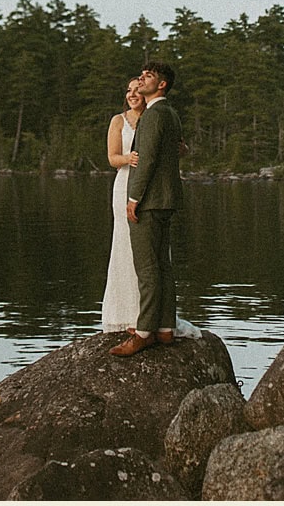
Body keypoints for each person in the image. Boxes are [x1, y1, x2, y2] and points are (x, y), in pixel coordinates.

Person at [111, 59, 186, 357]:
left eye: (148, 76)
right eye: (140, 74)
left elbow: (147, 159)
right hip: (168, 200)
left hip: (151, 201)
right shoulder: (171, 113)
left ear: (162, 84)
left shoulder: (154, 115)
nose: (142, 79)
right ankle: (165, 328)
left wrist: (134, 198)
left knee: (147, 267)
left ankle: (144, 332)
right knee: (163, 265)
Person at [97, 79, 145, 332]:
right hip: (125, 184)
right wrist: (129, 158)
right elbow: (112, 158)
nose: (132, 94)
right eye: (128, 90)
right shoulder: (118, 121)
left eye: (137, 90)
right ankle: (124, 315)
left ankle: (148, 315)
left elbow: (182, 148)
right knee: (124, 245)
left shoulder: (155, 116)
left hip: (150, 187)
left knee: (148, 249)